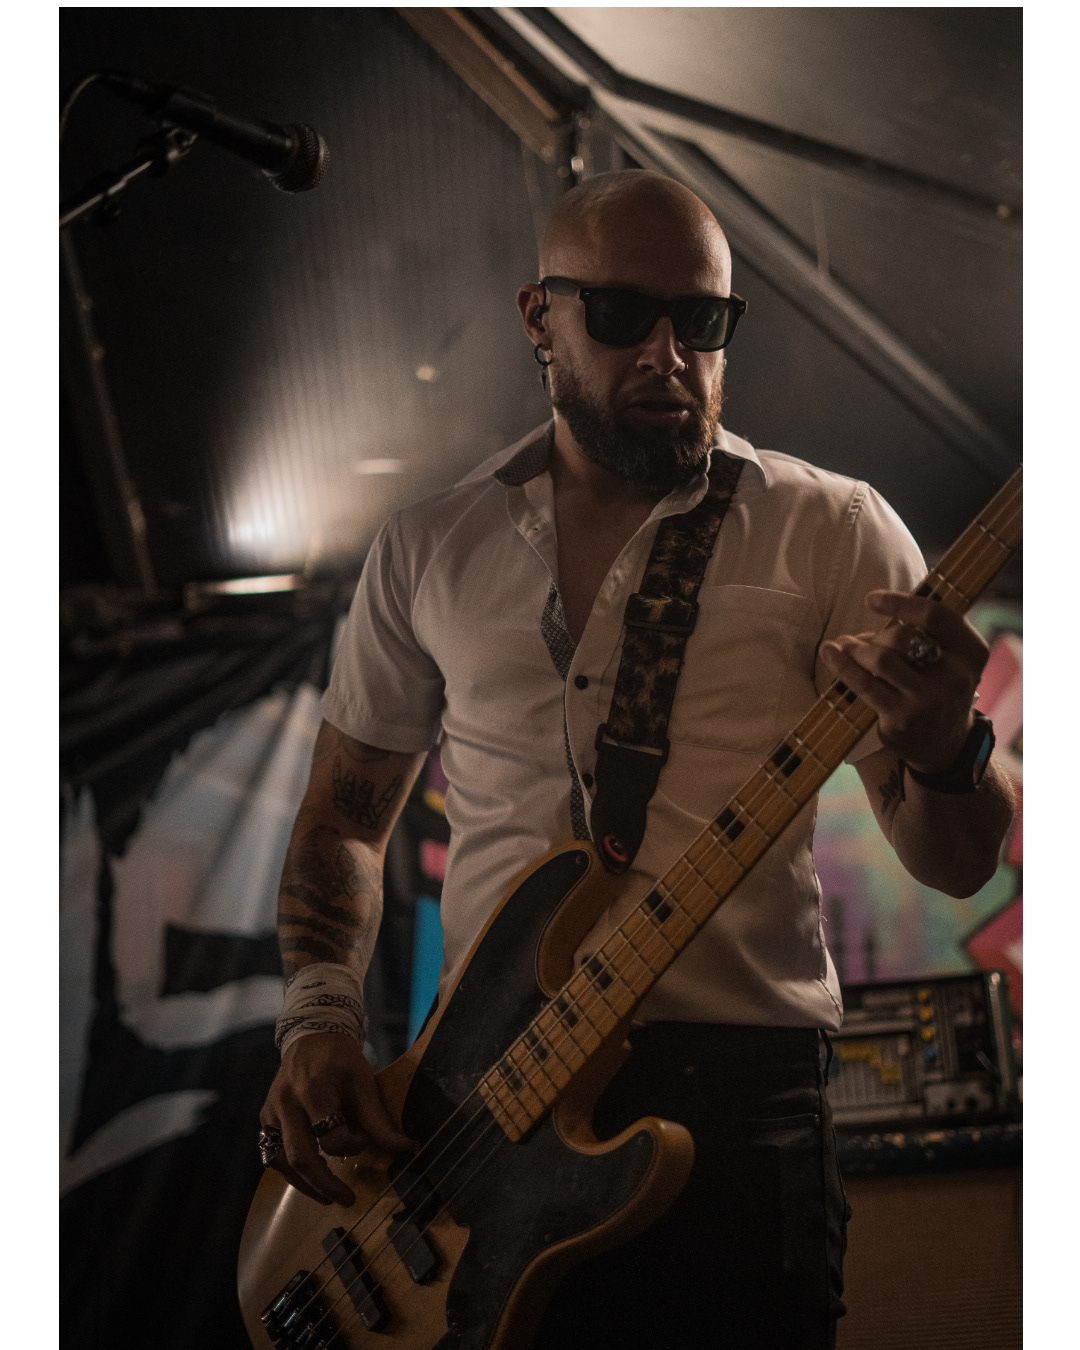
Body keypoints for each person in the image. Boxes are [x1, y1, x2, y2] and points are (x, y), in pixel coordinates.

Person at [257, 170, 1014, 1348]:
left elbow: (956, 864)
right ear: (538, 317)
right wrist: (317, 1020)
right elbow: (346, 820)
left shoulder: (833, 529)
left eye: (703, 321)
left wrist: (949, 750)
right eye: (620, 315)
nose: (669, 353)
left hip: (741, 1104)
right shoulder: (429, 548)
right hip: (475, 1108)